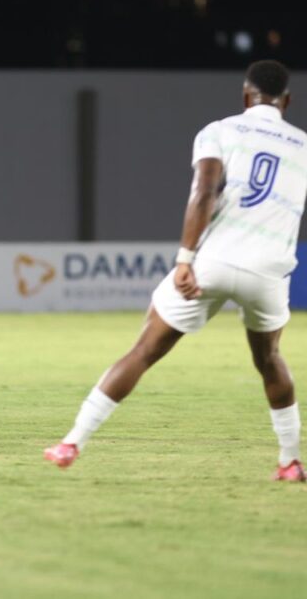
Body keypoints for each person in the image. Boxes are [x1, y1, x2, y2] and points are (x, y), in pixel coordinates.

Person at [45, 60, 305, 482]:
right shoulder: (303, 145)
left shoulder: (219, 131)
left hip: (213, 262)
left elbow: (205, 192)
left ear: (245, 95)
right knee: (270, 358)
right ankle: (290, 462)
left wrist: (185, 258)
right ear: (286, 101)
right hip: (268, 271)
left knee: (144, 350)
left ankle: (71, 442)